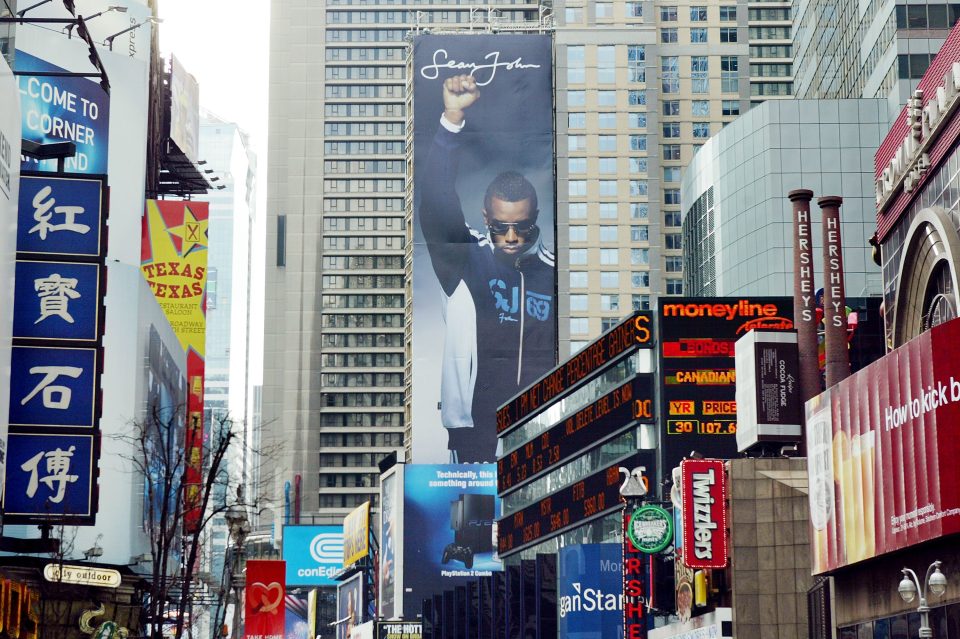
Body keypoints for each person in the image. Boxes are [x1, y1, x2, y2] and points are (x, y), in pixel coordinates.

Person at [420, 74, 555, 462]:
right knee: (471, 523)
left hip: (542, 430)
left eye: (522, 226)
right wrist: (451, 121)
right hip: (474, 436)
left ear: (537, 219)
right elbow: (436, 203)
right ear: (485, 218)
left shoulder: (556, 276)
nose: (511, 237)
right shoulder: (466, 260)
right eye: (500, 227)